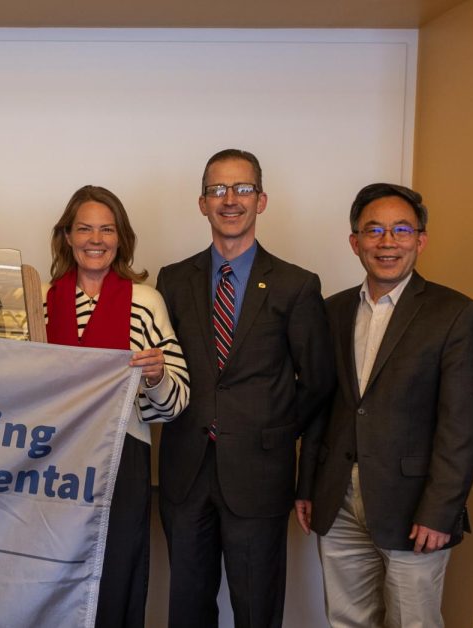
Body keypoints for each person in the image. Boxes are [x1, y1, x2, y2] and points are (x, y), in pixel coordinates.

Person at [296, 183, 473, 627]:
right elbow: (321, 406)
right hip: (339, 500)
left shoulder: (455, 314)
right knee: (347, 620)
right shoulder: (332, 311)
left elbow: (462, 426)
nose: (387, 242)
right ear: (355, 242)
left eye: (401, 230)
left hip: (415, 508)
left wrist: (440, 511)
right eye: (374, 230)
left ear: (420, 239)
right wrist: (307, 485)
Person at [155, 149, 334, 627]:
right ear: (201, 202)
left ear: (262, 200)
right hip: (185, 471)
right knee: (188, 609)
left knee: (257, 609)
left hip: (260, 473)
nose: (229, 199)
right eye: (217, 190)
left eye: (242, 189)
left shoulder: (296, 285)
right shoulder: (172, 280)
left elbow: (317, 382)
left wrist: (269, 428)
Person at [43, 185, 190, 628]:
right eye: (84, 228)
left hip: (122, 459)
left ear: (121, 238)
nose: (96, 238)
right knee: (54, 572)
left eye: (107, 229)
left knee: (116, 574)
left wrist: (157, 375)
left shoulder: (145, 303)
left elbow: (177, 401)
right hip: (53, 462)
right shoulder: (38, 303)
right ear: (66, 236)